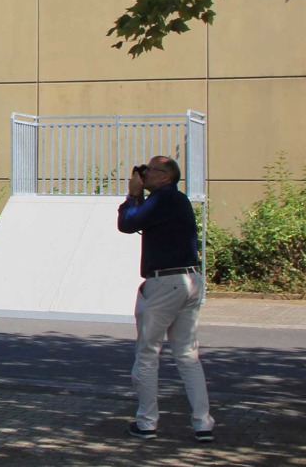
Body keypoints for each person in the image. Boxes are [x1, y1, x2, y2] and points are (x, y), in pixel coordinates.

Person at [118, 155, 215, 442]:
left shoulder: (162, 199)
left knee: (147, 353)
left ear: (165, 176)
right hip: (189, 280)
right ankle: (203, 423)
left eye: (149, 170)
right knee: (187, 355)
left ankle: (147, 422)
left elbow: (127, 223)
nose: (143, 173)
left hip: (165, 282)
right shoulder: (176, 201)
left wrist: (132, 196)